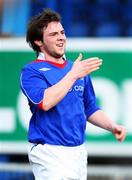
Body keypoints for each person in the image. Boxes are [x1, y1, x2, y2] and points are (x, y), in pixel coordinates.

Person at [20, 8, 126, 180]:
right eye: (53, 34)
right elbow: (45, 102)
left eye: (62, 32)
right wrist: (73, 75)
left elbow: (89, 108)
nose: (61, 37)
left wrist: (112, 126)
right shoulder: (31, 71)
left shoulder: (75, 69)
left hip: (78, 152)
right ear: (39, 41)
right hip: (48, 151)